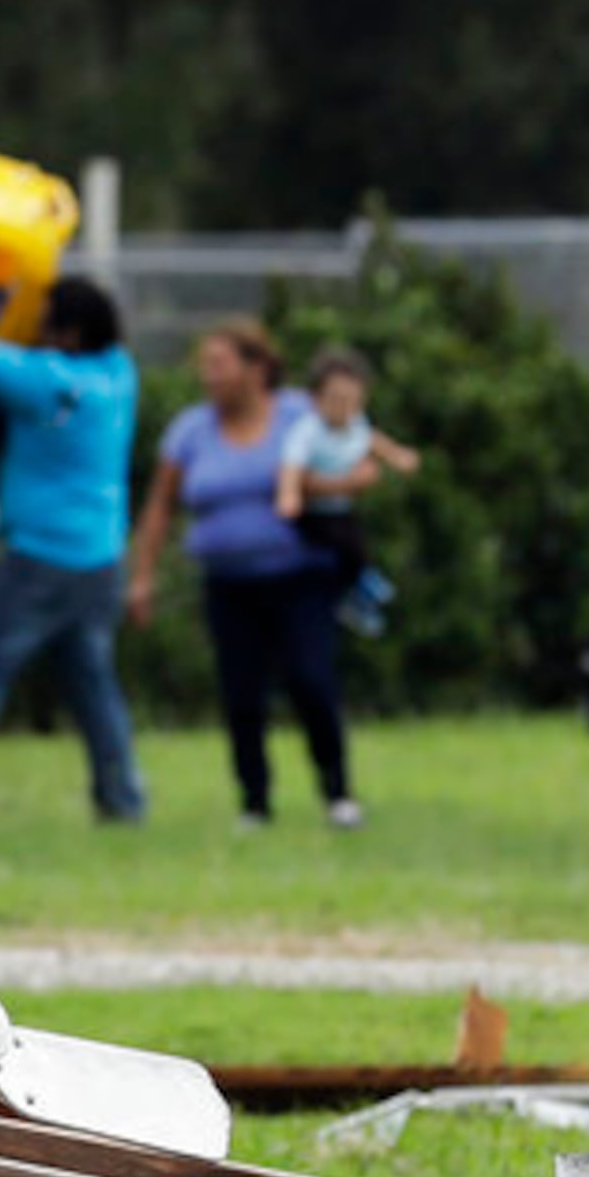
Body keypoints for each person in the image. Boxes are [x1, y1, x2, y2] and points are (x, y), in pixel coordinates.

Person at [0, 258, 146, 826]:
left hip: (38, 558)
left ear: (69, 334)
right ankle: (123, 801)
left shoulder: (50, 381)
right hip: (101, 558)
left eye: (49, 323)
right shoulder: (119, 373)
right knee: (94, 686)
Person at [131, 318, 360, 828]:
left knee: (311, 679)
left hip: (301, 576)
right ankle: (254, 801)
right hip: (229, 584)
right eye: (204, 366)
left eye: (219, 364)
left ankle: (338, 793)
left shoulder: (299, 414)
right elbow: (160, 505)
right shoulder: (191, 429)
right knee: (241, 692)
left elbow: (351, 458)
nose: (208, 376)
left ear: (257, 368)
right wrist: (142, 575)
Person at [274, 346, 417, 640]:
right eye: (337, 399)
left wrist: (398, 456)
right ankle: (355, 591)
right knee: (341, 547)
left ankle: (359, 591)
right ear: (316, 399)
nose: (344, 407)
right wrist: (288, 496)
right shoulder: (308, 431)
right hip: (312, 515)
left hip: (341, 510)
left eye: (352, 400)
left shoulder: (355, 424)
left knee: (355, 544)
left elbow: (374, 441)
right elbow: (290, 466)